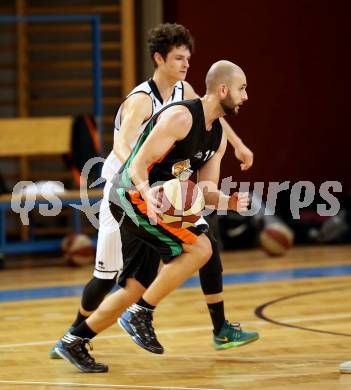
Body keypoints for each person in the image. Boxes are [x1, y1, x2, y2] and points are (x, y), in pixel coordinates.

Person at [50, 23, 256, 362]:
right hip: (127, 190)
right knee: (187, 251)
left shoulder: (202, 117)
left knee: (136, 284)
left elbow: (206, 189)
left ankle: (74, 339)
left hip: (156, 195)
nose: (186, 63)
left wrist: (231, 193)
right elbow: (129, 156)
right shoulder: (158, 107)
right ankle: (142, 314)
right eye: (242, 89)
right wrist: (149, 192)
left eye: (188, 57)